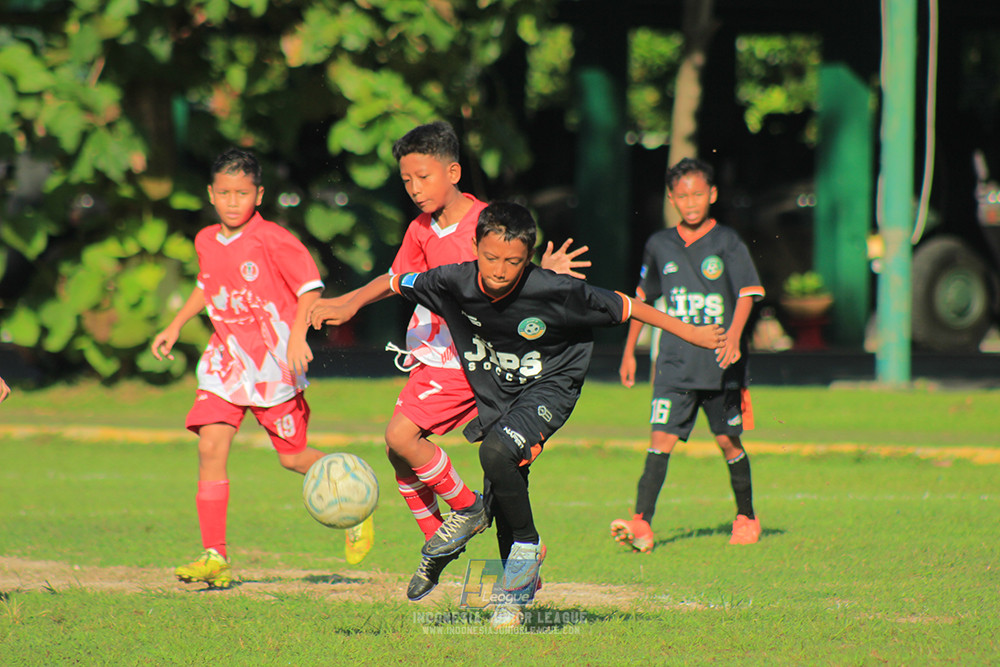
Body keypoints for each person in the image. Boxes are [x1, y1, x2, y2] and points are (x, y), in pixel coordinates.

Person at [312, 201, 725, 628]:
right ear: (474, 247)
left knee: (495, 454)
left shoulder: (554, 289)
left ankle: (527, 547)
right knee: (504, 487)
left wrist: (691, 331)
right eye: (490, 257)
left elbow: (627, 305)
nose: (500, 270)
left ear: (528, 258)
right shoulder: (451, 280)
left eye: (513, 261)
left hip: (549, 387)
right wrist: (348, 304)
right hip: (497, 392)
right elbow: (395, 282)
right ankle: (514, 591)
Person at [307, 121, 589, 601]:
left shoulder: (484, 221)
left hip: (471, 358)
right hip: (434, 353)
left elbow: (514, 273)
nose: (415, 189)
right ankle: (443, 546)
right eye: (407, 181)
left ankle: (468, 511)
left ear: (453, 171)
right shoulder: (421, 227)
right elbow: (396, 278)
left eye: (424, 177)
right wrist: (349, 302)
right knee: (402, 456)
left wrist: (550, 277)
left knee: (403, 437)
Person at [151, 148, 328, 589]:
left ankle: (352, 487)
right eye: (225, 193)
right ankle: (215, 555)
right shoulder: (206, 240)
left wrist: (297, 337)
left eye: (242, 193)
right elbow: (207, 287)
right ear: (211, 194)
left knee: (292, 459)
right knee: (210, 446)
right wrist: (175, 324)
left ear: (259, 194)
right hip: (226, 361)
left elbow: (310, 289)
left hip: (273, 363)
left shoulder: (274, 239)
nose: (233, 201)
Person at [611, 157, 765, 553]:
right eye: (683, 195)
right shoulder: (659, 245)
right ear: (671, 199)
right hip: (674, 364)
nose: (691, 201)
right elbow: (642, 301)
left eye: (699, 194)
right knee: (658, 440)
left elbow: (748, 292)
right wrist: (630, 351)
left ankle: (747, 517)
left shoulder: (727, 241)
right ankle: (641, 524)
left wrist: (732, 336)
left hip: (720, 364)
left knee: (728, 442)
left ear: (712, 194)